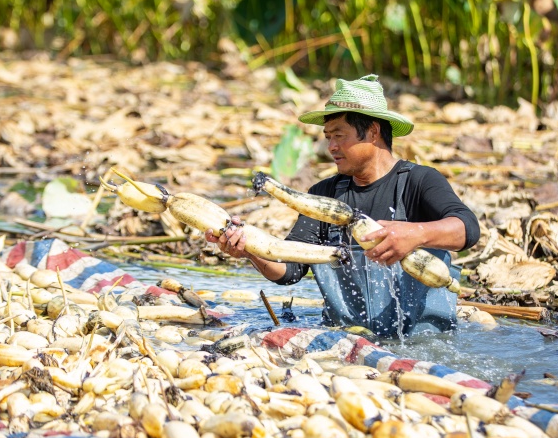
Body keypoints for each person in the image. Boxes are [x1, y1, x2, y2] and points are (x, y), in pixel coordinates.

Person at [205, 75, 480, 337]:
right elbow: (289, 270)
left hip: (425, 343)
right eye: (328, 137)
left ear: (372, 132)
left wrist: (415, 234)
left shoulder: (419, 181)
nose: (331, 147)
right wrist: (249, 250)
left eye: (339, 136)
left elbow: (467, 229)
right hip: (346, 339)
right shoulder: (325, 195)